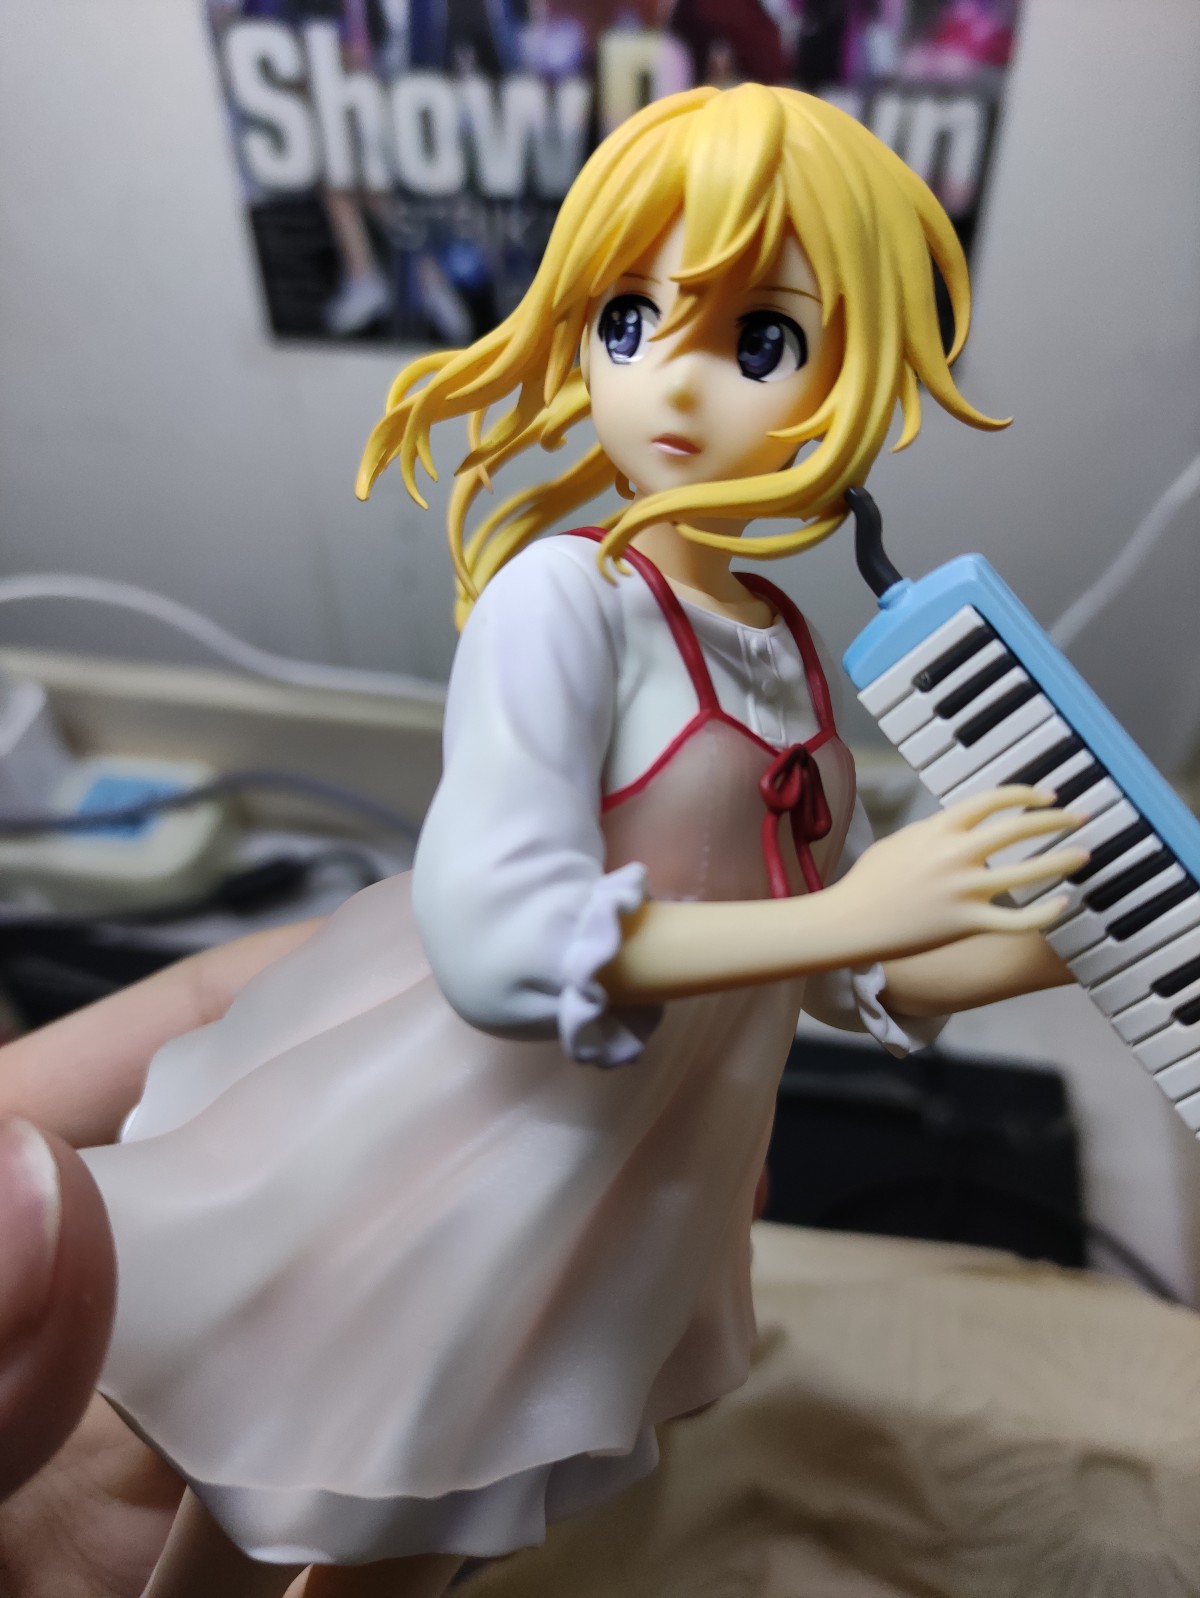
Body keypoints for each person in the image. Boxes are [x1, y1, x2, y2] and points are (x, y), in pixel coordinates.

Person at [22, 84, 1088, 1598]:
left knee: (428, 1519)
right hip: (455, 1144)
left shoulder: (786, 650)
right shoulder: (565, 601)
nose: (671, 380)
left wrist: (1043, 943)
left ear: (855, 373)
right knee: (277, 1471)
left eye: (759, 340)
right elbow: (498, 935)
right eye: (628, 319)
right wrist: (859, 913)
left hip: (619, 1195)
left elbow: (824, 972)